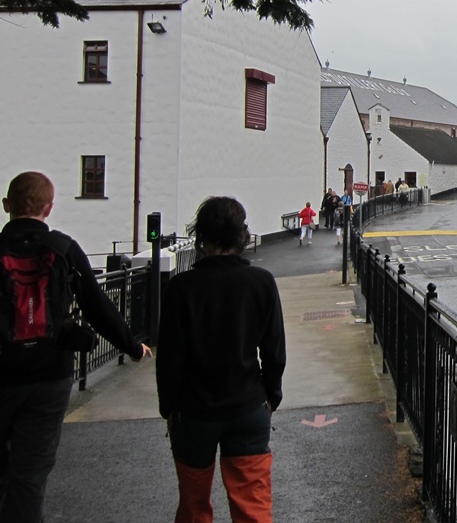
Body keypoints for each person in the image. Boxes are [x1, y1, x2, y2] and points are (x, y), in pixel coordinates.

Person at [0, 171, 152, 523]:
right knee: (31, 472)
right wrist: (131, 344)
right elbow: (97, 306)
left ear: (7, 206)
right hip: (49, 375)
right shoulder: (63, 249)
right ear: (49, 208)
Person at [156, 196, 286, 523]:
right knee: (252, 507)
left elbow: (170, 357)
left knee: (193, 505)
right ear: (241, 235)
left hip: (195, 410)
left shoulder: (182, 288)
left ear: (202, 236)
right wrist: (271, 396)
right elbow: (273, 350)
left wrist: (169, 407)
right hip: (248, 405)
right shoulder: (261, 282)